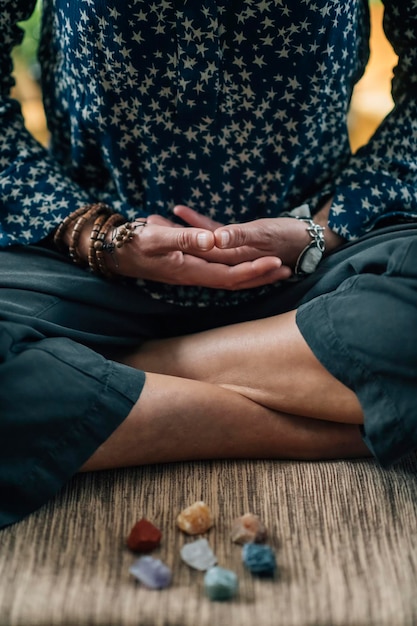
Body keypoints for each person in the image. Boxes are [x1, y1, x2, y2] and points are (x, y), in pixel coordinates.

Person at [1, 0, 416, 530]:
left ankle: (101, 372)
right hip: (81, 268)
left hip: (319, 268)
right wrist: (100, 237)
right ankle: (332, 423)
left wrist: (321, 230)